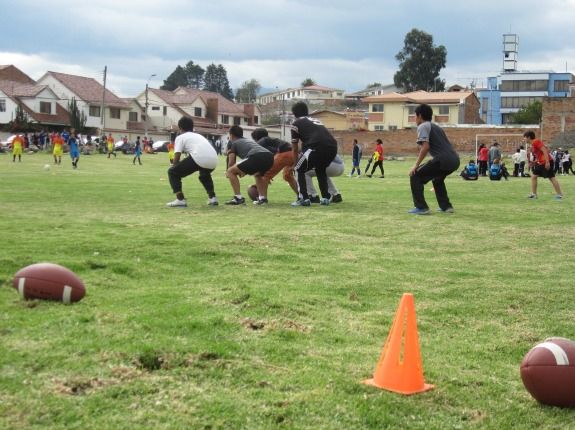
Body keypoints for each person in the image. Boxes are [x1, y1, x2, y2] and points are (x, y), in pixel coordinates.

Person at [408, 104, 460, 215]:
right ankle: (446, 207)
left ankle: (421, 207)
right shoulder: (436, 127)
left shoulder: (423, 126)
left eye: (415, 116)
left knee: (415, 175)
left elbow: (425, 147)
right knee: (437, 179)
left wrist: (416, 165)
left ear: (420, 116)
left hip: (443, 160)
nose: (414, 119)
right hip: (455, 160)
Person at [290, 101, 338, 206]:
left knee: (299, 169)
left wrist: (294, 164)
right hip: (332, 147)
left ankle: (304, 199)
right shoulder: (316, 120)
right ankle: (325, 198)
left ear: (294, 114)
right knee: (320, 170)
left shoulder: (295, 124)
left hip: (316, 146)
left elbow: (294, 148)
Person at [166, 116, 219, 207]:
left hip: (199, 158)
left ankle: (180, 199)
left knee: (172, 172)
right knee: (204, 175)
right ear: (192, 127)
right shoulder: (199, 135)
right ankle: (212, 198)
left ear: (180, 128)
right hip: (214, 160)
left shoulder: (181, 137)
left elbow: (177, 155)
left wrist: (175, 167)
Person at [225, 125, 274, 205]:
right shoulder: (247, 140)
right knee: (258, 175)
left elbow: (231, 162)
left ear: (231, 135)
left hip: (256, 156)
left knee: (230, 171)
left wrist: (229, 172)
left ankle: (238, 198)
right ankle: (262, 199)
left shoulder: (233, 143)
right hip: (269, 157)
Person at [251, 128, 298, 202]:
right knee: (287, 176)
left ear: (257, 138)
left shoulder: (263, 140)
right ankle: (301, 196)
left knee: (264, 175)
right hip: (293, 154)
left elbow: (253, 151)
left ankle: (262, 199)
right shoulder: (270, 141)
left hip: (284, 154)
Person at [523, 131, 563, 200]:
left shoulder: (536, 141)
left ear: (529, 137)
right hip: (541, 163)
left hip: (546, 162)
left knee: (551, 177)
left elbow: (545, 150)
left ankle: (559, 195)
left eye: (524, 138)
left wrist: (547, 162)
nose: (524, 139)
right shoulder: (533, 144)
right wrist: (535, 162)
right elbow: (540, 155)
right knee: (533, 176)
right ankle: (534, 194)